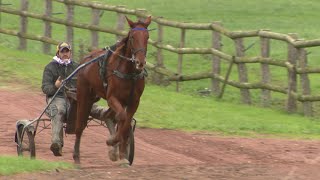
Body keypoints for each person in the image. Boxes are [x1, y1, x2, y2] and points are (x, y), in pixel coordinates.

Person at [42, 42, 109, 156]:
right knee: (59, 111)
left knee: (93, 108)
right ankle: (56, 144)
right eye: (62, 51)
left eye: (67, 51)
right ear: (57, 53)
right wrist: (56, 86)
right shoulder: (50, 67)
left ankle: (110, 116)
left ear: (70, 53)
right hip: (56, 97)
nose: (65, 54)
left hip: (76, 97)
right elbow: (45, 88)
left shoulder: (78, 67)